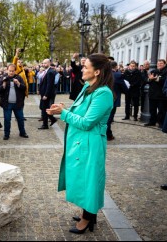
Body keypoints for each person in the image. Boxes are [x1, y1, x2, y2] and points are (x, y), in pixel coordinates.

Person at [46, 53, 113, 234]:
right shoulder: (88, 87)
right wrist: (61, 110)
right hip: (80, 141)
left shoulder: (103, 93)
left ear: (97, 71)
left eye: (86, 67)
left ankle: (87, 218)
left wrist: (63, 113)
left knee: (89, 180)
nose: (82, 69)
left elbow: (87, 122)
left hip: (91, 143)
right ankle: (88, 213)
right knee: (82, 179)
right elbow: (80, 113)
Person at [0, 64, 28, 140]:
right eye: (10, 71)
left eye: (13, 71)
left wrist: (18, 83)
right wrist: (3, 86)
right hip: (7, 104)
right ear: (7, 70)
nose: (11, 72)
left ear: (15, 71)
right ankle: (6, 134)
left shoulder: (19, 77)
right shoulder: (3, 78)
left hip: (18, 103)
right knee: (7, 120)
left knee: (20, 119)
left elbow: (24, 88)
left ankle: (22, 132)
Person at [107, 61, 128, 141]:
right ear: (115, 67)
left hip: (103, 98)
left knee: (104, 117)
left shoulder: (104, 74)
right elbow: (125, 88)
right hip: (113, 99)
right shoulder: (118, 75)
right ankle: (108, 134)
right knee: (109, 118)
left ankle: (108, 133)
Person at [144, 59, 167, 128]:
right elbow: (147, 80)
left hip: (161, 95)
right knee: (152, 109)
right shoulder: (154, 71)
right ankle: (152, 122)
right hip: (152, 94)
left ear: (164, 64)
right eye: (158, 63)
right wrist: (150, 79)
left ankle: (161, 123)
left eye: (161, 63)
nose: (159, 65)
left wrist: (156, 79)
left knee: (161, 110)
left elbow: (164, 81)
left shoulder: (166, 71)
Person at [38, 59, 57, 130]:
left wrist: (46, 95)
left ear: (49, 63)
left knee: (44, 108)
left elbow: (49, 85)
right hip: (43, 93)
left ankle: (45, 124)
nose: (43, 65)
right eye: (43, 63)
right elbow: (43, 82)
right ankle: (52, 119)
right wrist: (39, 90)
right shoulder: (46, 71)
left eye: (45, 63)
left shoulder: (50, 72)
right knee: (44, 108)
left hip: (46, 94)